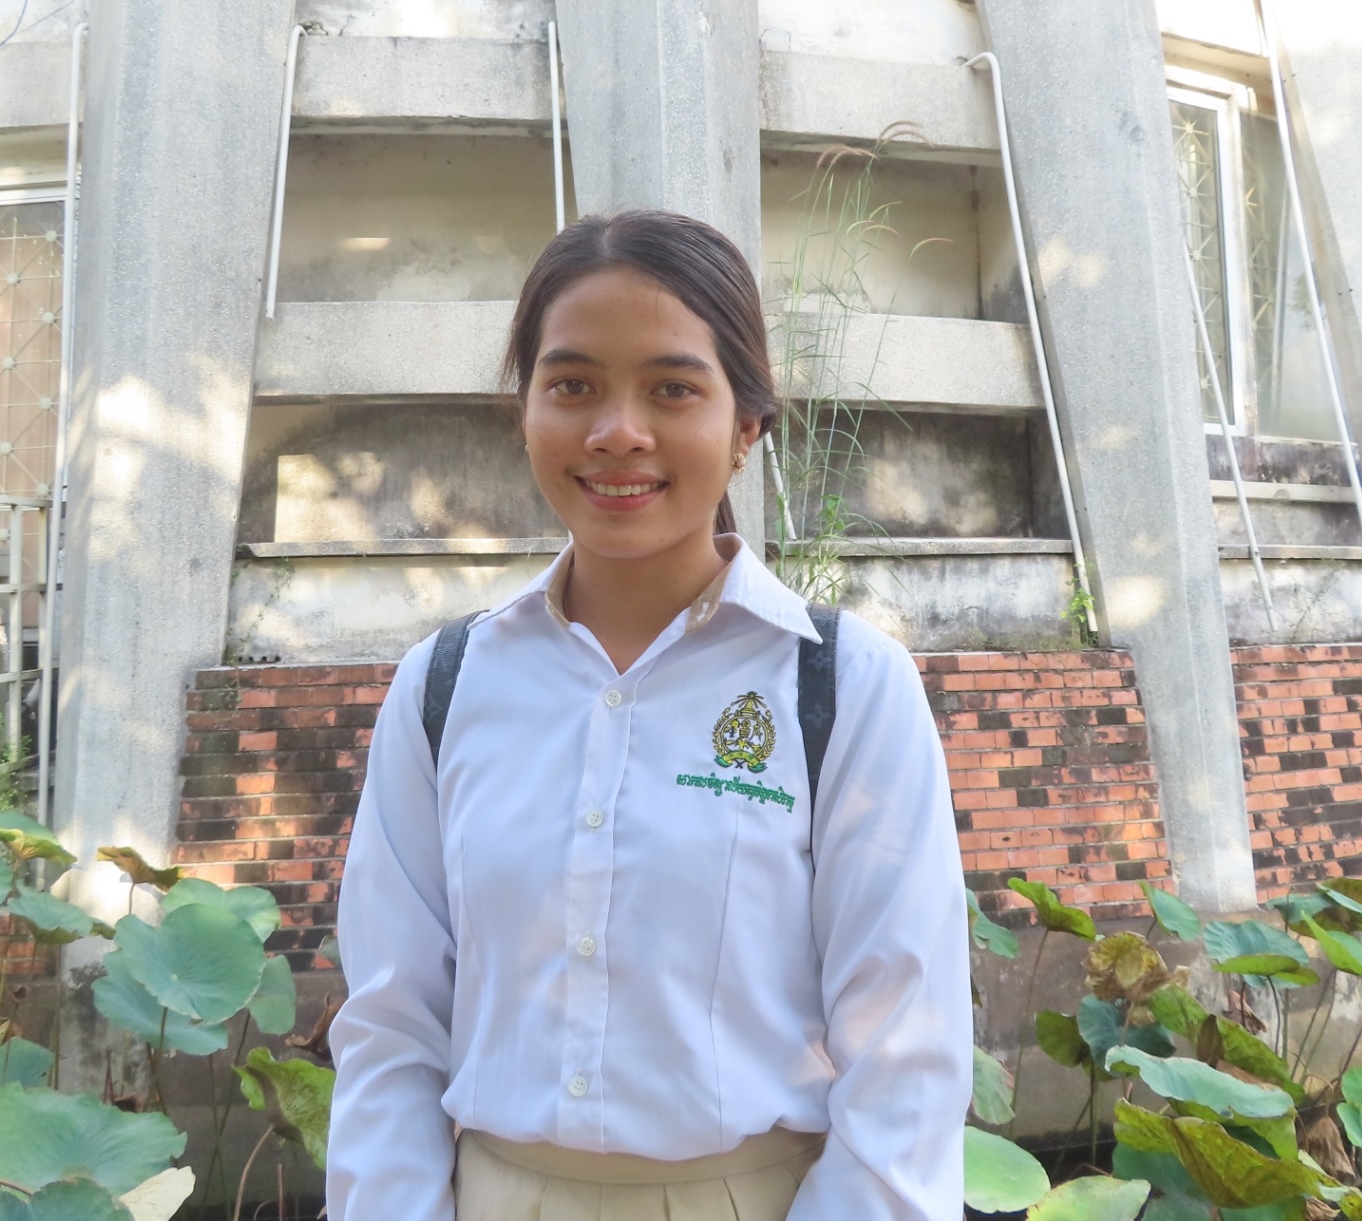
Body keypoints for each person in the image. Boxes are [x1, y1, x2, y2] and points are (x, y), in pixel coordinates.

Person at [326, 210, 972, 1221]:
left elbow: (905, 1052)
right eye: (571, 384)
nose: (615, 430)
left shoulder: (839, 687)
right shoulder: (444, 686)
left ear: (745, 424)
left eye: (671, 388)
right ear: (525, 411)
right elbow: (392, 1025)